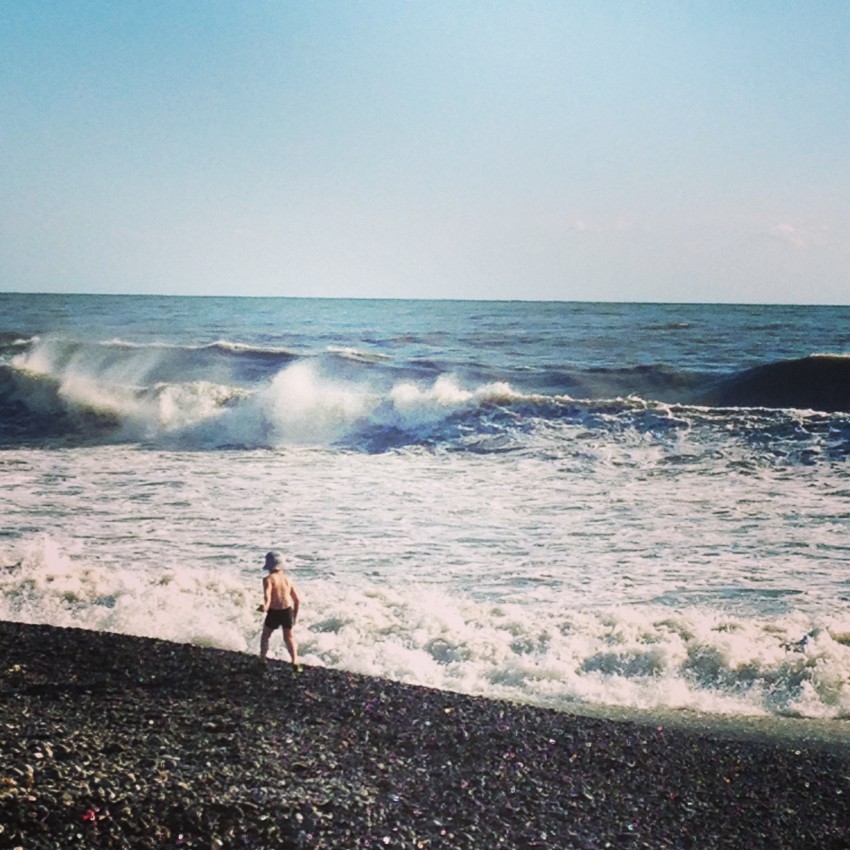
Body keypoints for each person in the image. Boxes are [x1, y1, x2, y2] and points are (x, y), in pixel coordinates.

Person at [257, 551, 301, 669]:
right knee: (289, 637)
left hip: (274, 611)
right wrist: (294, 616)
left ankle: (262, 659)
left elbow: (267, 596)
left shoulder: (268, 579)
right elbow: (297, 600)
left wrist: (265, 607)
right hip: (287, 611)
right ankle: (295, 660)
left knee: (265, 635)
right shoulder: (288, 580)